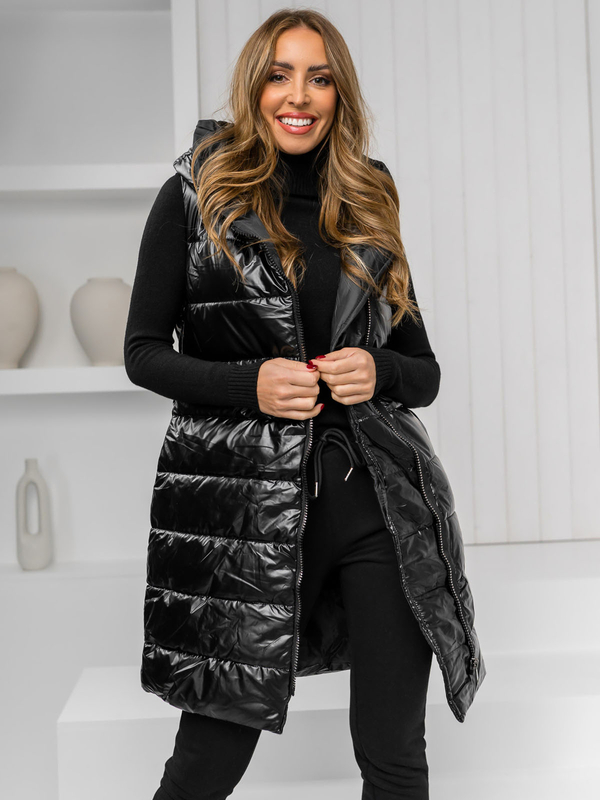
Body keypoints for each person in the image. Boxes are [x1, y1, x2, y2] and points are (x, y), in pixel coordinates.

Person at [124, 9, 485, 800]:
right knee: (206, 761)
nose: (299, 95)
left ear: (338, 94)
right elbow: (142, 352)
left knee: (395, 756)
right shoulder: (195, 195)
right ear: (254, 89)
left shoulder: (369, 196)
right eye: (280, 76)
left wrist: (378, 370)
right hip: (247, 519)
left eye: (319, 78)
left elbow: (423, 373)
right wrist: (246, 384)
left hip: (380, 508)